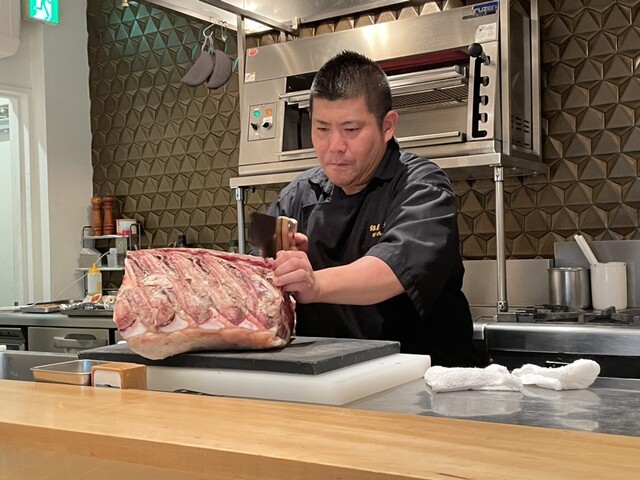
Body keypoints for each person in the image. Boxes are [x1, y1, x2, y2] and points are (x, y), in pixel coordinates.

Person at [268, 50, 480, 367]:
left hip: (423, 379)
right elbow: (259, 281)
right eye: (322, 129)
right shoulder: (296, 197)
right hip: (328, 378)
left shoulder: (423, 186)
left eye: (351, 129)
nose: (335, 146)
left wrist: (314, 284)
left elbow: (393, 270)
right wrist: (281, 266)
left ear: (387, 125)